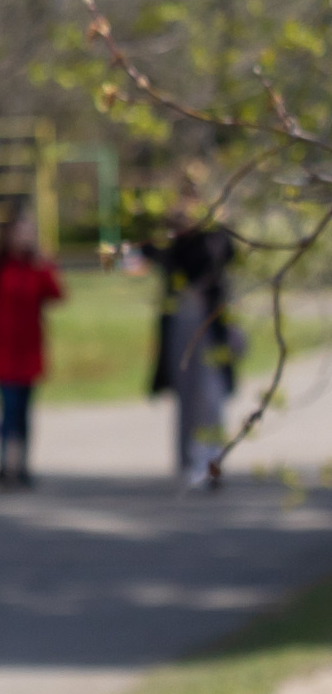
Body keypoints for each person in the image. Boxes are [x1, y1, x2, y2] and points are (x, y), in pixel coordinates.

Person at [0, 214, 62, 490]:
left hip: (30, 351)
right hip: (5, 352)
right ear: (8, 236)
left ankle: (21, 465)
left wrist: (45, 264)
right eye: (19, 233)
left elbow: (57, 295)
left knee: (24, 413)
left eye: (28, 233)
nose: (24, 239)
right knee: (7, 410)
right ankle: (4, 464)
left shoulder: (37, 267)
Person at [151, 203, 239, 490]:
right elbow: (161, 257)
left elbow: (224, 254)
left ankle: (210, 461)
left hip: (210, 332)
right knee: (188, 399)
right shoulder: (174, 248)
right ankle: (194, 461)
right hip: (184, 330)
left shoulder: (213, 241)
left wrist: (213, 223)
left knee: (210, 400)